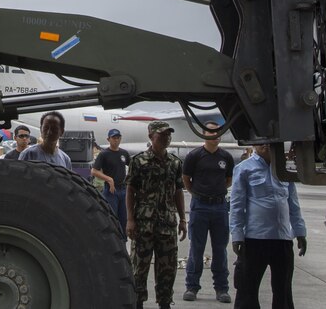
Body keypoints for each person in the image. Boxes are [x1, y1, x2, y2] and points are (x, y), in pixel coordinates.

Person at [229, 142, 307, 309]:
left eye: (268, 141)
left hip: (282, 240)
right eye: (260, 140)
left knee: (283, 292)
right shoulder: (244, 168)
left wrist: (300, 232)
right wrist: (237, 236)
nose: (264, 144)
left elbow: (293, 203)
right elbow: (236, 206)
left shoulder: (284, 169)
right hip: (255, 240)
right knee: (247, 291)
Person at [126, 120, 187, 309]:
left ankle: (164, 302)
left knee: (167, 268)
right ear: (151, 136)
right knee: (139, 268)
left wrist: (182, 218)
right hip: (143, 223)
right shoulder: (139, 161)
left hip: (167, 224)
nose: (166, 138)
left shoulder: (175, 163)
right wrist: (129, 219)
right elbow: (130, 190)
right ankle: (137, 303)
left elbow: (178, 191)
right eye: (161, 135)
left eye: (168, 135)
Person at [182, 121, 235, 303]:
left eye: (218, 132)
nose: (216, 135)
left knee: (220, 249)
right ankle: (192, 287)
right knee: (196, 249)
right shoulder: (194, 156)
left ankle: (222, 288)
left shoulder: (226, 157)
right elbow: (186, 179)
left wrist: (215, 193)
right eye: (211, 132)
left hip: (220, 207)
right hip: (200, 207)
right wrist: (198, 194)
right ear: (204, 134)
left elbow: (228, 180)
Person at [91, 127, 130, 232]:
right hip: (110, 191)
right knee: (112, 218)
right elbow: (94, 171)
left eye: (118, 137)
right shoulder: (104, 154)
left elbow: (132, 167)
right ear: (108, 139)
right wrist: (109, 179)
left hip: (123, 190)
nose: (116, 140)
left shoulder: (124, 153)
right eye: (113, 138)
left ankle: (123, 242)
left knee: (124, 219)